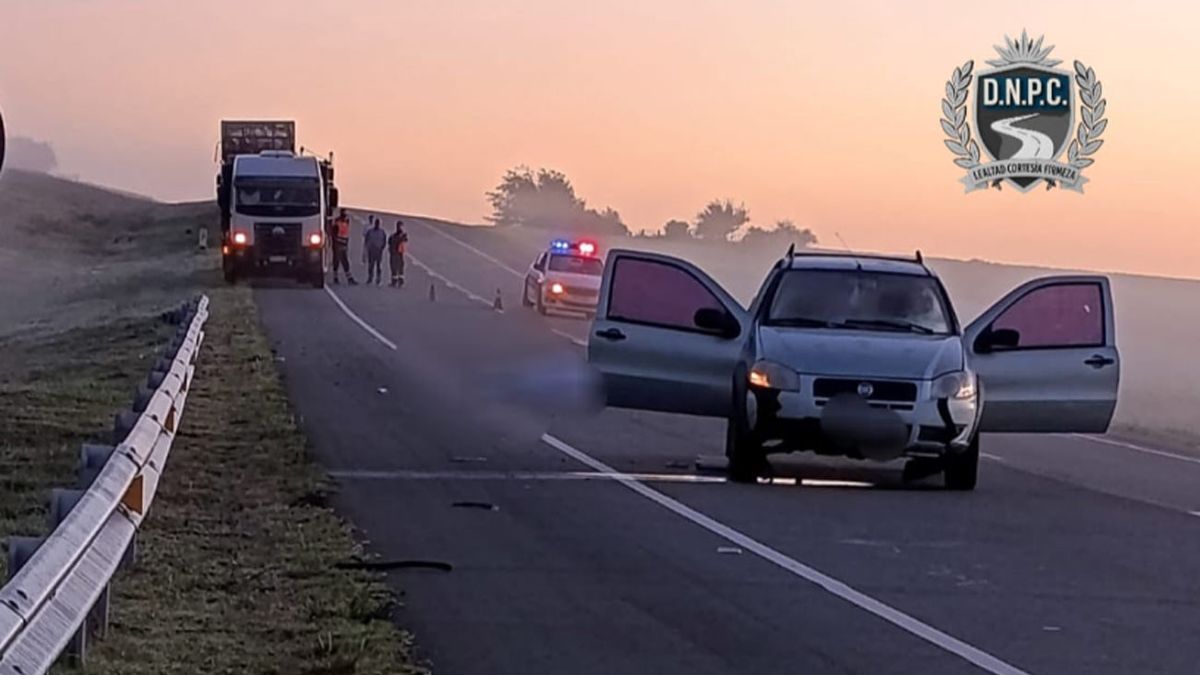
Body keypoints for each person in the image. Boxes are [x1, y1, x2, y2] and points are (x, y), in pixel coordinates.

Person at [330, 209, 357, 285]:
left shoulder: (346, 222)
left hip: (343, 244)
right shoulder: (337, 222)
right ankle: (337, 278)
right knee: (337, 261)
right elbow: (334, 235)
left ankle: (348, 278)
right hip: (338, 244)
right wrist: (335, 245)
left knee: (344, 261)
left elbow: (346, 234)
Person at [363, 217, 388, 285]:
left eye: (378, 223)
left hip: (378, 251)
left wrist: (382, 247)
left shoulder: (382, 232)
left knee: (378, 265)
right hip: (371, 250)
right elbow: (366, 239)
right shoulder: (370, 231)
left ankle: (378, 278)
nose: (377, 224)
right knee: (371, 265)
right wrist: (368, 247)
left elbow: (384, 241)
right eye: (376, 223)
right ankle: (370, 278)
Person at [387, 220, 409, 288]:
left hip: (396, 254)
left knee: (396, 267)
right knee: (398, 268)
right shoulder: (399, 236)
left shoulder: (397, 236)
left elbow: (390, 242)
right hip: (397, 254)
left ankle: (396, 281)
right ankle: (398, 281)